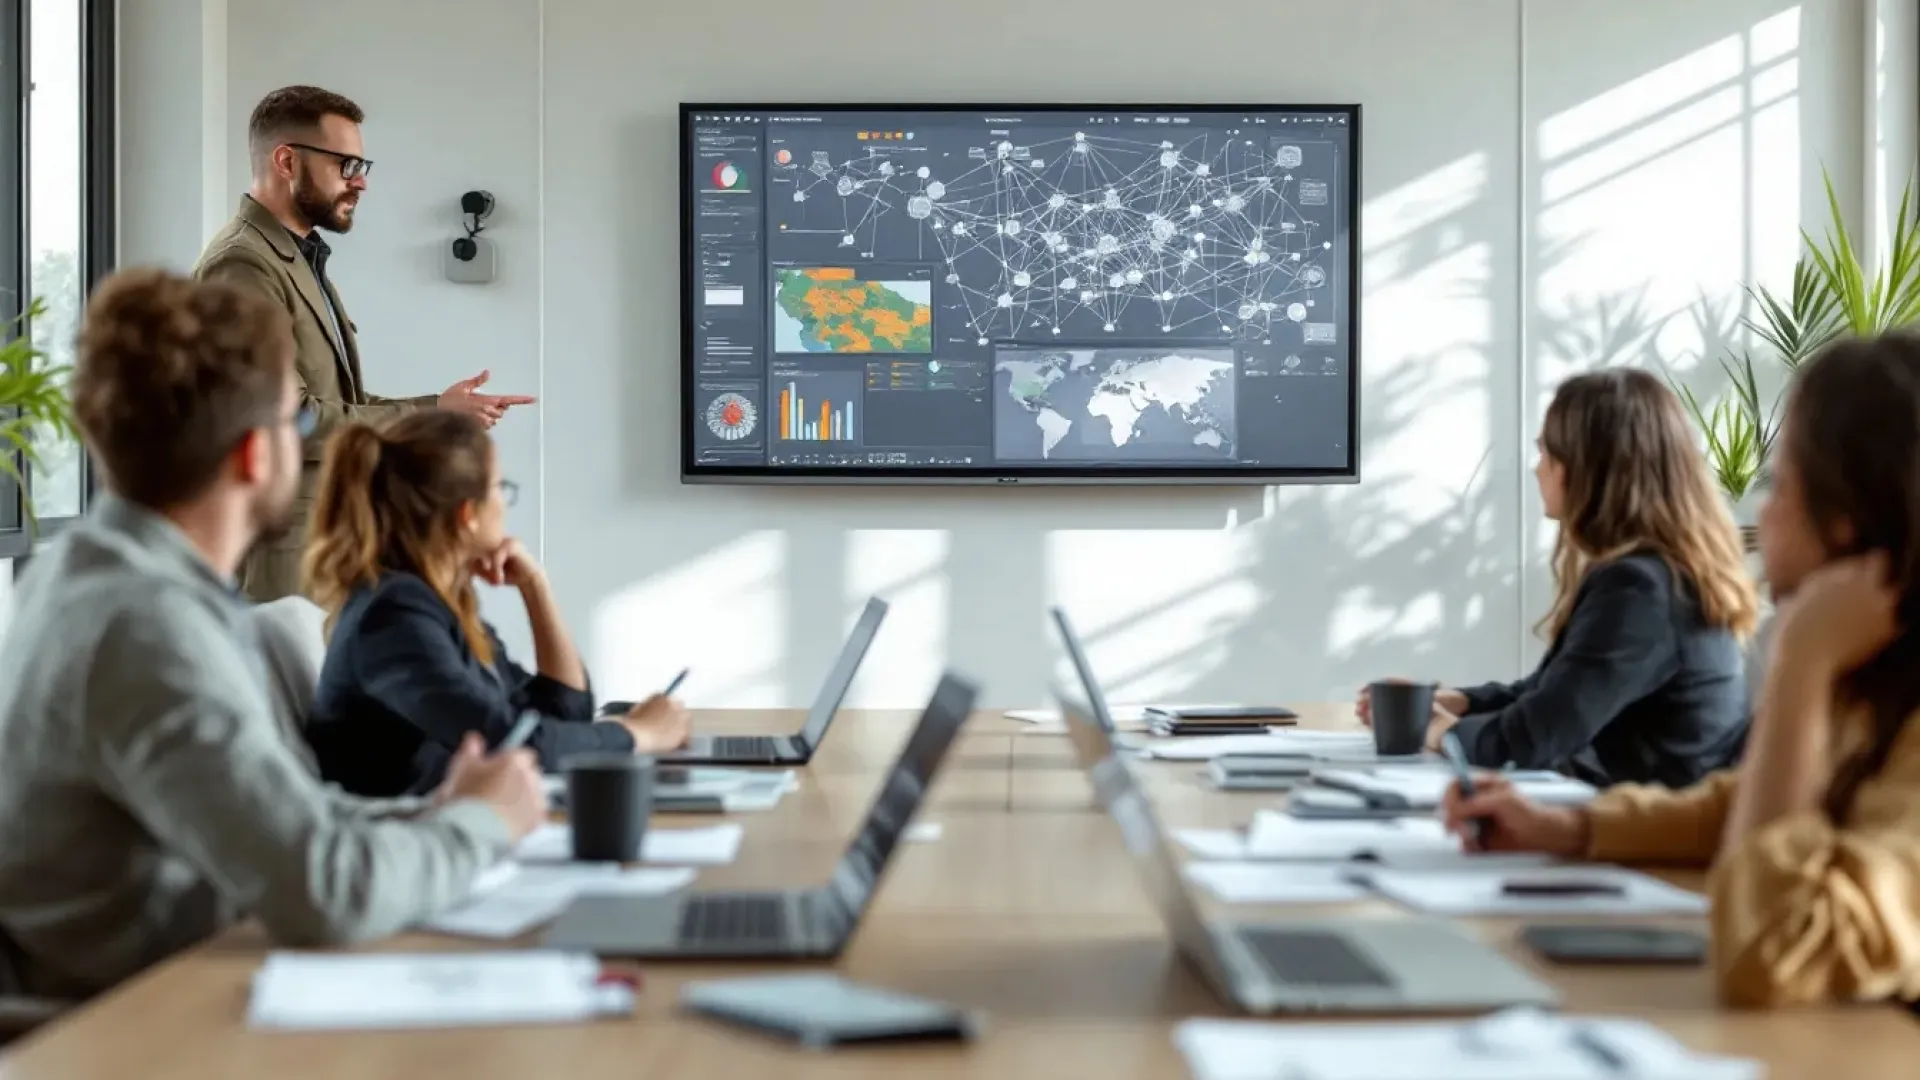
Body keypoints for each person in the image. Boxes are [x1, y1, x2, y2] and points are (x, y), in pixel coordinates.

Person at [0, 268, 545, 1000]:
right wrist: (480, 826)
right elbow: (323, 890)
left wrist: (442, 812)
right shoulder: (146, 629)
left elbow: (294, 814)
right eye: (303, 422)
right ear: (256, 455)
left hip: (194, 987)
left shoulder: (90, 576)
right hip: (139, 1030)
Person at [1441, 332, 1920, 1009]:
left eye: (1780, 484)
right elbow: (1731, 807)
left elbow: (1771, 952)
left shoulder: (1857, 688)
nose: (1758, 510)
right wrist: (1570, 830)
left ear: (1844, 525)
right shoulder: (1876, 688)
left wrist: (1801, 662)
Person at [194, 84, 534, 603]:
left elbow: (336, 405)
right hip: (280, 562)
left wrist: (439, 411)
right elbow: (289, 423)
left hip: (320, 546)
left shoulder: (298, 259)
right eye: (345, 166)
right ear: (287, 161)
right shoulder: (242, 265)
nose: (360, 183)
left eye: (362, 167)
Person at [1358, 368, 1758, 787]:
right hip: (1644, 818)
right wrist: (1457, 702)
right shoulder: (1660, 574)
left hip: (1649, 841)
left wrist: (1433, 729)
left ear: (1581, 469)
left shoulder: (1641, 589)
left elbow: (1530, 740)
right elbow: (1555, 695)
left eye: (1546, 452)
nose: (1538, 469)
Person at [302, 409, 691, 797]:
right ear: (468, 514)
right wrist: (638, 733)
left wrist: (535, 588)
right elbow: (513, 744)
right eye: (499, 488)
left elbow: (561, 713)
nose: (505, 503)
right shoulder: (395, 618)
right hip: (411, 839)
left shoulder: (436, 602)